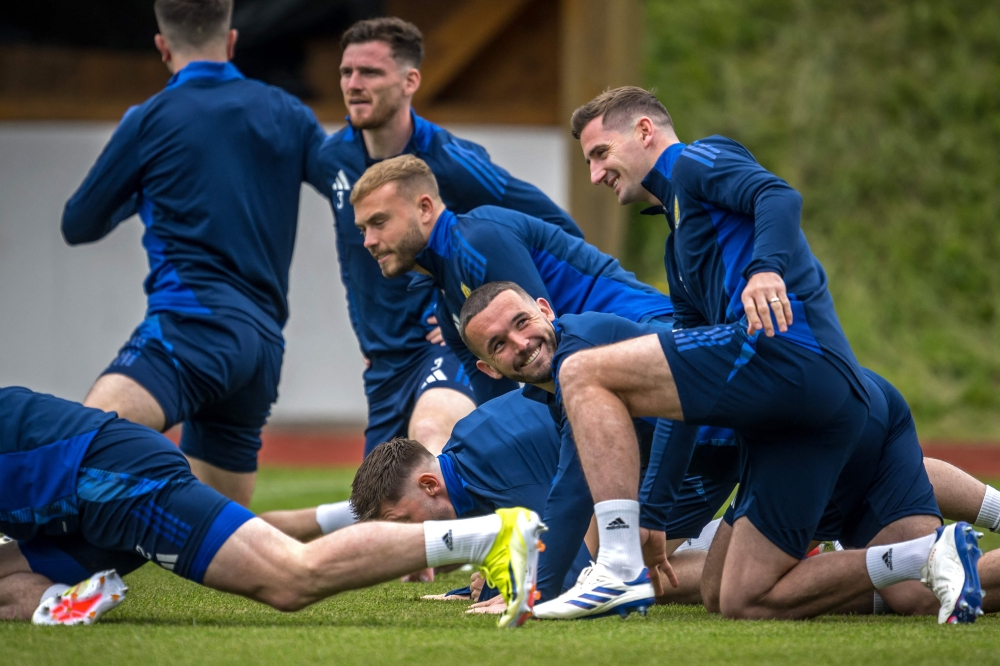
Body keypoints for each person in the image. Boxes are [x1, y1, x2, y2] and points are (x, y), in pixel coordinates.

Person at [537, 85, 982, 621]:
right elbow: (684, 397)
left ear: (645, 132)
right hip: (789, 415)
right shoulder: (678, 247)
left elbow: (777, 195)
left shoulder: (696, 160)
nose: (594, 174)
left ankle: (614, 566)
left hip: (791, 363)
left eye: (600, 154)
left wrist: (764, 268)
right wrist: (653, 513)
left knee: (582, 371)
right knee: (737, 597)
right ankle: (927, 557)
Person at [458, 278, 982, 622]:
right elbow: (586, 485)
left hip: (808, 431)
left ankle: (927, 550)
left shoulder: (583, 353)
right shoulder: (558, 382)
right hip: (799, 436)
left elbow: (661, 433)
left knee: (743, 595)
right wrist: (541, 585)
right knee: (912, 597)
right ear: (488, 369)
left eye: (521, 323)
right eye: (498, 345)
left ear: (545, 309)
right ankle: (926, 558)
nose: (519, 343)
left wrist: (534, 590)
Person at [301, 17, 583, 539]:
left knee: (431, 433)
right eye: (346, 72)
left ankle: (504, 543)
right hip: (383, 358)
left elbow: (555, 231)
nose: (353, 84)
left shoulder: (453, 161)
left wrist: (468, 309)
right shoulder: (329, 157)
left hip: (442, 345)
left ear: (410, 82)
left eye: (370, 71)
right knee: (380, 518)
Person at [61, 0, 327, 507]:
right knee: (226, 542)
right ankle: (408, 534)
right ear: (231, 43)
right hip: (261, 349)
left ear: (162, 47)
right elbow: (352, 192)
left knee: (77, 450)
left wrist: (142, 189)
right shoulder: (289, 112)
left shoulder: (151, 119)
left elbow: (79, 223)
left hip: (191, 329)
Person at [0, 386, 543, 629]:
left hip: (111, 480)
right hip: (93, 488)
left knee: (289, 577)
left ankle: (490, 536)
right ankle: (57, 604)